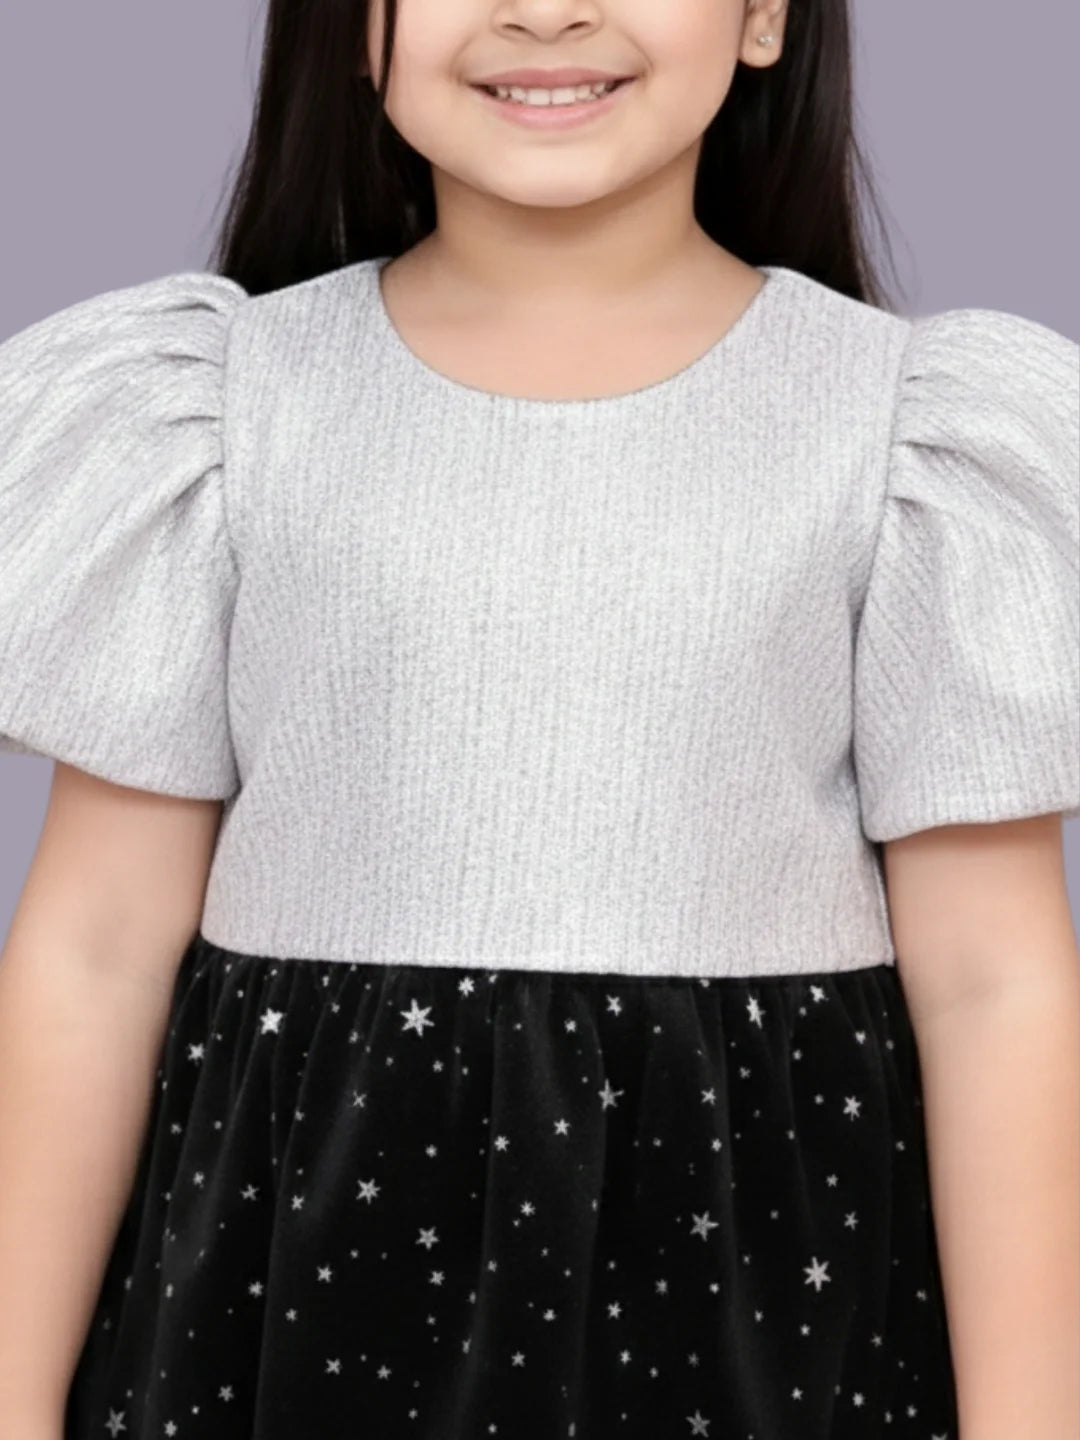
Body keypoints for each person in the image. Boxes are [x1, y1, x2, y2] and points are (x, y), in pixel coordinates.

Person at [0, 1, 1077, 1437]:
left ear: (765, 14)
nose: (545, 8)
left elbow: (994, 981)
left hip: (756, 1283)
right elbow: (96, 947)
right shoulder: (220, 411)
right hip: (301, 1275)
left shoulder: (901, 432)